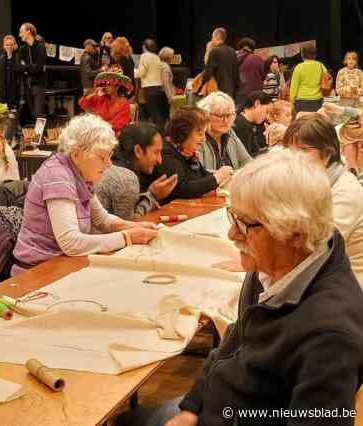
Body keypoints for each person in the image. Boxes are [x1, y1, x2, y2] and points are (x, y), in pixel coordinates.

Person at [119, 148, 363, 426]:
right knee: (129, 420)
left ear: (294, 231)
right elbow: (234, 341)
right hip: (220, 406)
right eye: (233, 217)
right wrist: (192, 407)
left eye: (245, 223)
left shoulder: (331, 337)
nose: (232, 234)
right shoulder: (274, 271)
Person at [12, 114, 158, 273]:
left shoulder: (80, 173)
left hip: (60, 264)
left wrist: (134, 226)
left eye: (109, 156)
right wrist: (127, 237)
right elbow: (70, 243)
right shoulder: (57, 176)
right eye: (102, 157)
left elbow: (101, 219)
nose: (109, 164)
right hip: (36, 272)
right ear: (76, 154)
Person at [281, 113, 363, 286]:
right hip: (318, 274)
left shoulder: (346, 191)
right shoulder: (311, 179)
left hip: (346, 286)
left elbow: (317, 249)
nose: (294, 158)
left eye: (303, 150)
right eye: (289, 150)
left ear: (327, 153)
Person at [96, 123, 177, 220]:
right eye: (156, 152)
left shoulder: (116, 167)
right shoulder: (126, 179)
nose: (160, 160)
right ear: (138, 151)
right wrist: (152, 196)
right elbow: (128, 226)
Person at [151, 106, 232, 203]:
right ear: (183, 134)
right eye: (200, 134)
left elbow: (202, 176)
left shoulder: (186, 152)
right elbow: (184, 189)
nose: (204, 139)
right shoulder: (166, 154)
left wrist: (228, 176)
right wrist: (217, 177)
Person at [197, 91, 252, 170]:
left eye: (229, 115)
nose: (226, 121)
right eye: (220, 116)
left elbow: (246, 160)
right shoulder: (198, 137)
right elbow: (198, 173)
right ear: (206, 115)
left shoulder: (230, 133)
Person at [79, 65, 132, 135]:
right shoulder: (101, 97)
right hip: (98, 131)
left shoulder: (124, 102)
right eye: (104, 84)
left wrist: (98, 126)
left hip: (113, 134)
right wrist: (93, 93)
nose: (105, 86)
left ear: (117, 86)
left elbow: (119, 124)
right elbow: (82, 104)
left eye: (108, 84)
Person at [17, 23, 47, 123]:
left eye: (21, 32)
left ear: (28, 31)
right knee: (34, 115)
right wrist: (29, 67)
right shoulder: (22, 49)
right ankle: (41, 137)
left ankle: (42, 137)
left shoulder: (40, 47)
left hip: (39, 84)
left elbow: (38, 68)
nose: (19, 35)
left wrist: (26, 68)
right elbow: (19, 67)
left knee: (39, 114)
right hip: (28, 86)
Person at [136, 39, 167, 129]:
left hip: (148, 89)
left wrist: (133, 72)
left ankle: (157, 137)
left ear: (144, 47)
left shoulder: (145, 56)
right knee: (157, 115)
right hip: (158, 89)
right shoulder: (156, 57)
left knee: (151, 116)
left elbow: (141, 73)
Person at [201, 27, 240, 98]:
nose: (212, 40)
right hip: (232, 92)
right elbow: (237, 73)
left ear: (216, 37)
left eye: (212, 37)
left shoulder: (214, 51)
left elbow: (208, 73)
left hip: (219, 92)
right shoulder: (232, 51)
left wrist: (201, 83)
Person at [0, 35, 22, 141]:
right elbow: (1, 79)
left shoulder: (18, 57)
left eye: (11, 45)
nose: (9, 47)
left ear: (15, 45)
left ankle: (9, 139)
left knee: (14, 117)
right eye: (7, 45)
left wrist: (11, 57)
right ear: (3, 46)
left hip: (17, 92)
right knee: (13, 118)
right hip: (7, 93)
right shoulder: (2, 60)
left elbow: (15, 73)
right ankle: (15, 138)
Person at [232, 91, 272, 156]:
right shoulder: (242, 125)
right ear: (257, 103)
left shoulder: (244, 122)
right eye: (266, 111)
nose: (267, 116)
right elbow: (247, 158)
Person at [289, 45, 327, 113]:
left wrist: (291, 102)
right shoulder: (321, 65)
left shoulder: (299, 67)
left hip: (302, 102)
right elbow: (327, 80)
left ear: (302, 54)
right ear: (315, 54)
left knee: (303, 122)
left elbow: (294, 87)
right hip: (318, 101)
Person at [235, 37, 265, 107]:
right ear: (252, 48)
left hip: (239, 94)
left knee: (239, 116)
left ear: (240, 47)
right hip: (255, 95)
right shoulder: (257, 58)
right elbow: (263, 76)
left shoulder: (234, 59)